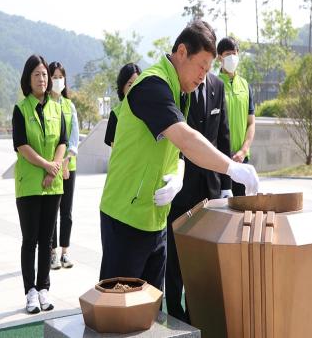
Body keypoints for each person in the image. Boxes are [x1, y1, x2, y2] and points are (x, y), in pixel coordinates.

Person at [99, 20, 259, 293]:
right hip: (126, 218)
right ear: (182, 52)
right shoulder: (151, 85)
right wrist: (232, 168)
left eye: (209, 70)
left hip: (156, 219)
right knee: (118, 312)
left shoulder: (180, 92)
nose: (203, 76)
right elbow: (186, 138)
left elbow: (180, 152)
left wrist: (179, 177)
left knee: (149, 310)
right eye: (202, 66)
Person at [166, 71, 232, 322]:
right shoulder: (181, 84)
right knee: (176, 255)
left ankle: (198, 315)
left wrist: (227, 184)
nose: (204, 69)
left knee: (205, 257)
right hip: (181, 185)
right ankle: (174, 312)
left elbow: (222, 136)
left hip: (211, 189)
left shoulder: (217, 85)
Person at [12, 54, 67, 314]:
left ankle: (44, 288)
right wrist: (47, 166)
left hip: (52, 185)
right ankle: (30, 292)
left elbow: (63, 142)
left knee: (47, 240)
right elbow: (22, 145)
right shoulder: (20, 109)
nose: (42, 78)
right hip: (29, 185)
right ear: (28, 78)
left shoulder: (58, 107)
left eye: (44, 74)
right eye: (37, 74)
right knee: (30, 239)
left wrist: (53, 169)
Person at [49, 61, 79, 269]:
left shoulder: (70, 106)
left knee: (66, 210)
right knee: (52, 210)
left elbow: (74, 137)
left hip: (69, 166)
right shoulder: (45, 105)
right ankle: (51, 252)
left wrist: (67, 161)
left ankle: (65, 251)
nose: (57, 80)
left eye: (61, 77)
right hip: (51, 166)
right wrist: (56, 164)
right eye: (54, 76)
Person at [217, 37, 256, 196]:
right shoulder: (213, 83)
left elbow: (251, 123)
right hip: (218, 161)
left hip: (241, 160)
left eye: (234, 53)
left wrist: (243, 150)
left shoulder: (245, 86)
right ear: (220, 57)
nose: (232, 58)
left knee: (242, 208)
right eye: (228, 54)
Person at [104, 63, 142, 147]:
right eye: (130, 84)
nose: (134, 89)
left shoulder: (148, 110)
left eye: (137, 84)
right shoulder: (115, 114)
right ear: (122, 87)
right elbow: (115, 148)